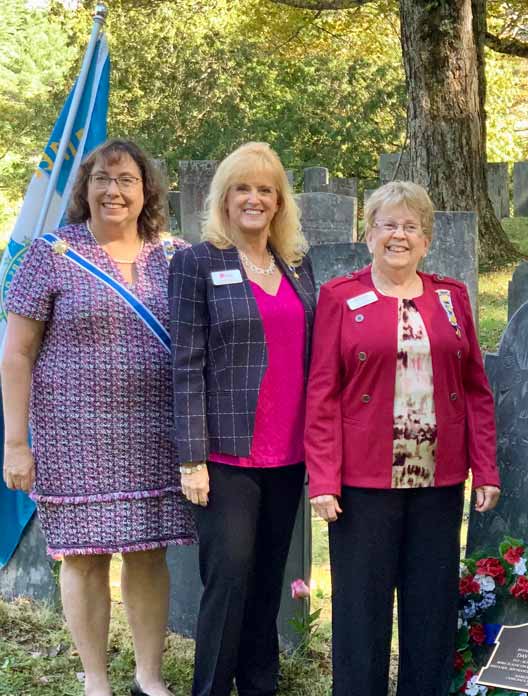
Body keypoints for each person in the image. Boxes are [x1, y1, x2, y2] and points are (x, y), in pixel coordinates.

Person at [1, 139, 194, 696]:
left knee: (148, 552)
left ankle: (149, 677)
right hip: (72, 434)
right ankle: (95, 681)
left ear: (145, 191)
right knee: (84, 555)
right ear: (85, 188)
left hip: (156, 433)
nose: (114, 190)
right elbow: (16, 353)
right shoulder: (50, 253)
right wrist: (17, 443)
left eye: (127, 180)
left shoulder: (173, 255)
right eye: (103, 179)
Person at [305, 181, 501, 696]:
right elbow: (322, 392)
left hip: (438, 480)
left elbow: (476, 389)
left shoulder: (451, 297)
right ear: (368, 235)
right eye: (387, 225)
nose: (399, 235)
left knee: (431, 610)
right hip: (363, 482)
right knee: (361, 612)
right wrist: (323, 479)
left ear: (426, 239)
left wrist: (487, 467)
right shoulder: (340, 298)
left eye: (411, 226)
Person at [168, 142, 316, 696]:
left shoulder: (298, 264)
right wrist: (191, 458)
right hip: (225, 455)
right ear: (224, 199)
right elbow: (184, 363)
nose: (254, 199)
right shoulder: (197, 261)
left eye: (265, 189)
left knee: (266, 582)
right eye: (242, 188)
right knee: (227, 581)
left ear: (279, 202)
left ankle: (260, 686)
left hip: (289, 452)